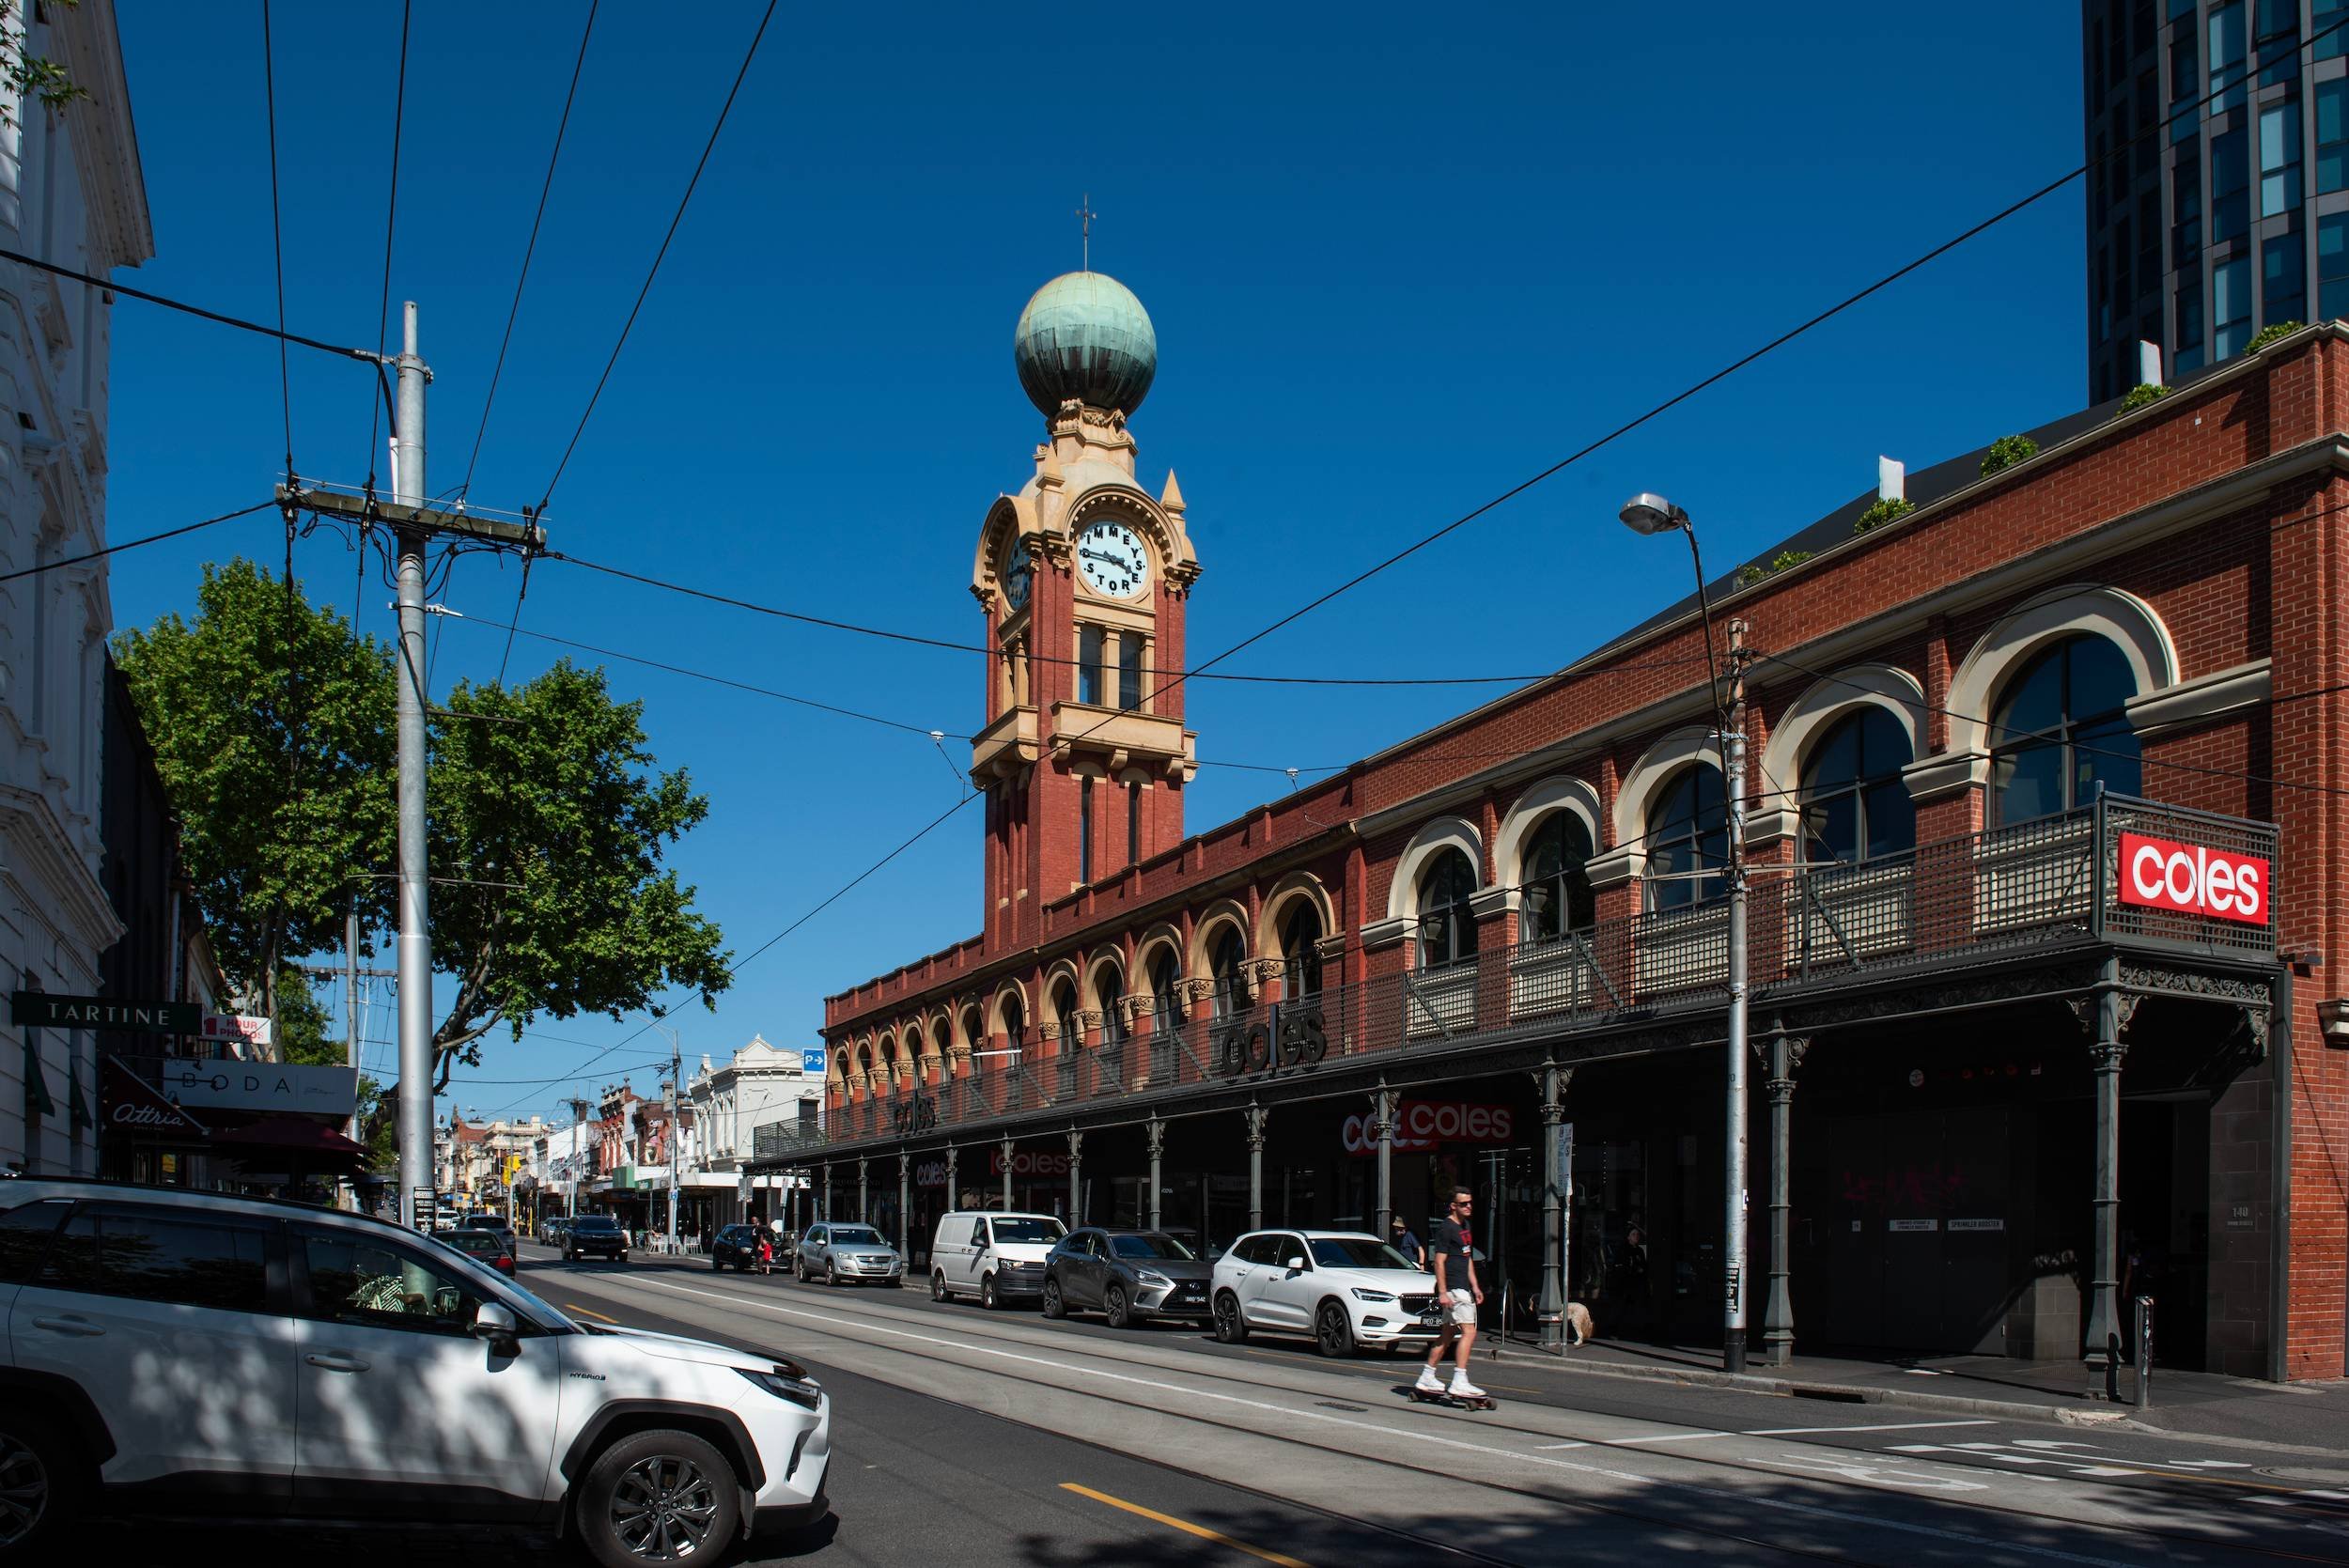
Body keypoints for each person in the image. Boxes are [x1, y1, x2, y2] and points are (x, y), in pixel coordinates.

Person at [1415, 1187, 1487, 1404]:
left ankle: (1427, 1376)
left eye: (1470, 1203)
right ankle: (1459, 1379)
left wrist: (1475, 1286)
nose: (1469, 1207)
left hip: (1463, 1287)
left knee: (1447, 1334)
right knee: (1469, 1332)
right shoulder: (1446, 1229)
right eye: (1464, 1203)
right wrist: (1444, 1292)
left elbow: (1467, 1259)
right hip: (1454, 1289)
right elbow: (1438, 1261)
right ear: (1453, 1206)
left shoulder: (1465, 1226)